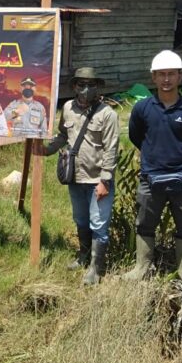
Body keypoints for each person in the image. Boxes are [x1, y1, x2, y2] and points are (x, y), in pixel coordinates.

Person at [123, 50, 182, 294]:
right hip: (151, 178)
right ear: (153, 77)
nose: (166, 79)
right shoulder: (142, 109)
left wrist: (176, 159)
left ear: (180, 76)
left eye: (171, 74)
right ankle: (142, 267)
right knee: (145, 223)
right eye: (162, 74)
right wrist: (155, 157)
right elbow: (135, 136)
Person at [43, 68, 119, 285]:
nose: (86, 90)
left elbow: (111, 149)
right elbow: (63, 136)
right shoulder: (67, 108)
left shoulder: (107, 114)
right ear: (74, 86)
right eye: (81, 84)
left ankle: (96, 268)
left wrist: (105, 181)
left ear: (98, 87)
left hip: (97, 180)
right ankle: (83, 256)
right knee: (81, 219)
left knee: (99, 224)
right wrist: (46, 151)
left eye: (91, 85)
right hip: (75, 178)